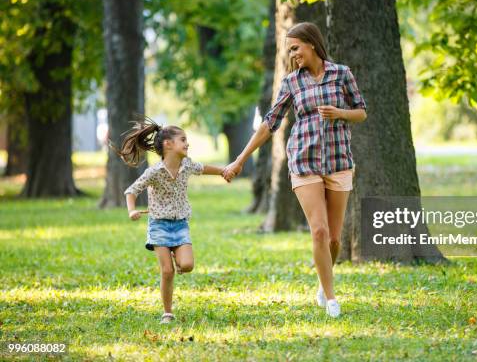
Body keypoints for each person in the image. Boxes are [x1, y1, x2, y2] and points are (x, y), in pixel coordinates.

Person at [223, 22, 367, 318]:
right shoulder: (291, 82)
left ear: (311, 44)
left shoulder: (341, 73)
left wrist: (339, 113)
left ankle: (322, 280)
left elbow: (361, 112)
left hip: (339, 162)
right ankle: (331, 298)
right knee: (319, 230)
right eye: (289, 50)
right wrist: (240, 159)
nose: (293, 54)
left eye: (295, 48)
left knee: (334, 239)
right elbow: (269, 123)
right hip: (304, 161)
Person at [114, 116, 225, 324]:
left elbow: (205, 168)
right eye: (183, 139)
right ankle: (167, 312)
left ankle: (178, 256)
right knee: (167, 271)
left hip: (181, 224)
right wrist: (131, 211)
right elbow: (131, 191)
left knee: (188, 265)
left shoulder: (187, 165)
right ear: (168, 144)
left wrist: (224, 172)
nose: (187, 143)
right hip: (159, 226)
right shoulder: (154, 172)